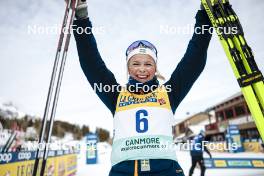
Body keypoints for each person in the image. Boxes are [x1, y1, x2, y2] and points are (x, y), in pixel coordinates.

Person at [73, 0, 212, 175]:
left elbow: (195, 58)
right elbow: (91, 63)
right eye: (136, 63)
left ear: (155, 68)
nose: (142, 69)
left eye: (148, 64)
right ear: (128, 68)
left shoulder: (169, 93)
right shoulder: (115, 96)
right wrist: (81, 18)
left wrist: (205, 16)